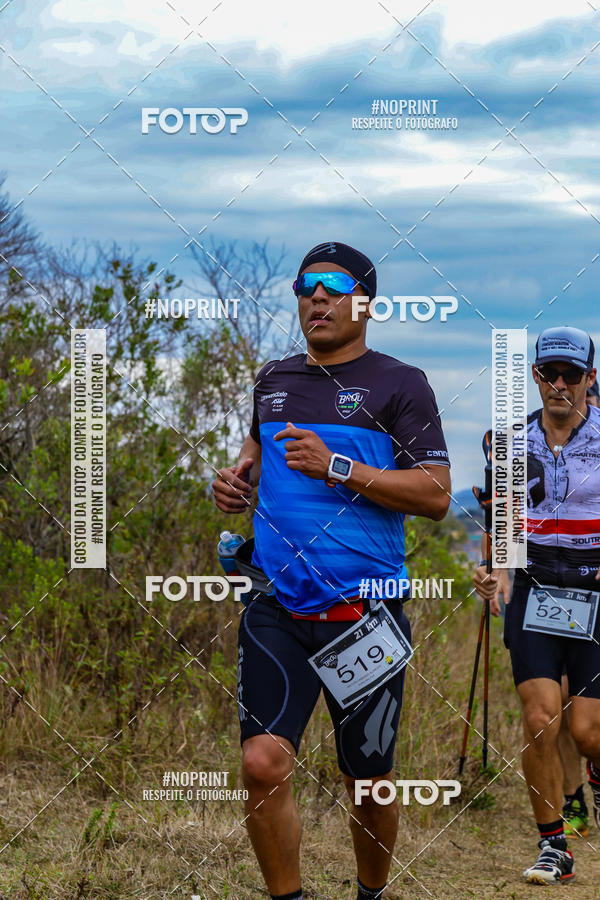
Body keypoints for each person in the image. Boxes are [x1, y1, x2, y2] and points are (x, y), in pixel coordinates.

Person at [212, 241, 451, 900]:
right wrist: (235, 484)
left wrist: (340, 466)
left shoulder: (401, 384)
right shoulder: (273, 379)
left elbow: (435, 494)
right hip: (278, 605)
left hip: (365, 613)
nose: (315, 296)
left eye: (332, 285)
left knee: (367, 780)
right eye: (304, 286)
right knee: (262, 764)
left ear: (364, 302)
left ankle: (371, 893)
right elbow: (254, 454)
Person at [474, 325, 600, 885]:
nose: (560, 385)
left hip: (595, 589)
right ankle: (554, 846)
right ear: (535, 376)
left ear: (590, 380)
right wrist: (494, 570)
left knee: (590, 730)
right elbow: (501, 519)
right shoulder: (507, 442)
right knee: (541, 719)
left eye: (572, 375)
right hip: (536, 590)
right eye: (550, 373)